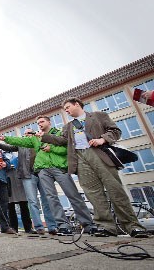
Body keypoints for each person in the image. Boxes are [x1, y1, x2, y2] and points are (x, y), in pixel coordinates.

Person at [40, 97, 149, 238]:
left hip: (99, 155)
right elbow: (63, 141)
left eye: (67, 107)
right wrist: (45, 137)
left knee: (115, 190)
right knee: (93, 194)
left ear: (77, 104)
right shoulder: (68, 126)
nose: (66, 110)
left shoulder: (99, 116)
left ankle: (132, 226)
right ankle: (105, 226)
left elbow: (115, 131)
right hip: (80, 158)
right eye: (65, 109)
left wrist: (102, 139)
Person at [0, 116, 95, 236]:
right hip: (43, 170)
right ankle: (62, 225)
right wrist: (5, 138)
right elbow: (19, 141)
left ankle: (88, 224)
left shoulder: (59, 133)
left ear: (49, 122)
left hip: (59, 167)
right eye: (38, 122)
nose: (39, 124)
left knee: (73, 195)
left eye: (42, 121)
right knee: (51, 198)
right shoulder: (35, 138)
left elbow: (67, 148)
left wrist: (52, 148)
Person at [0, 129, 57, 235]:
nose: (26, 135)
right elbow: (8, 147)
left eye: (29, 133)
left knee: (47, 200)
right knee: (32, 201)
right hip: (28, 175)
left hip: (42, 173)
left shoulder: (40, 141)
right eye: (25, 134)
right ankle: (39, 227)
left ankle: (52, 227)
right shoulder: (21, 144)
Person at [5, 152, 34, 234]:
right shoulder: (1, 153)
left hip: (20, 177)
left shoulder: (17, 151)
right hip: (8, 178)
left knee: (24, 204)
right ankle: (13, 228)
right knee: (10, 205)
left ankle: (28, 228)